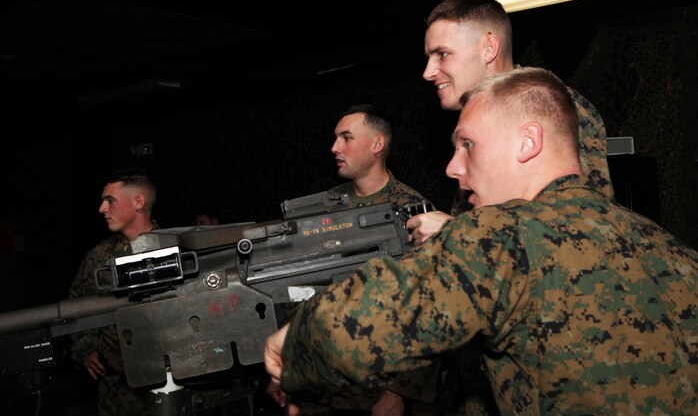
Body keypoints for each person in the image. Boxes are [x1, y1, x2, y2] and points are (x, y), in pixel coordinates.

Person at [264, 67, 698, 416]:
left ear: (528, 142)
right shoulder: (674, 252)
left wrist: (298, 346)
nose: (453, 168)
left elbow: (386, 313)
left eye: (468, 145)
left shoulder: (501, 234)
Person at [267, 103, 437, 416]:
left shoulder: (411, 210)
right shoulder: (322, 211)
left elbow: (428, 307)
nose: (335, 147)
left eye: (346, 138)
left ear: (377, 144)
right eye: (335, 138)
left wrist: (398, 391)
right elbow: (300, 292)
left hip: (375, 393)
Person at [408, 0, 614, 246]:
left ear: (489, 48)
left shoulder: (553, 109)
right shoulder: (477, 121)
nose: (428, 72)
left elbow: (584, 231)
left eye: (442, 54)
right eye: (429, 57)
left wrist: (458, 232)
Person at [68, 168, 159, 416]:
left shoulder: (174, 250)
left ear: (138, 202)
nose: (101, 209)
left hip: (169, 385)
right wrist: (85, 349)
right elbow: (76, 306)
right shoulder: (100, 257)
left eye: (110, 200)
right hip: (117, 393)